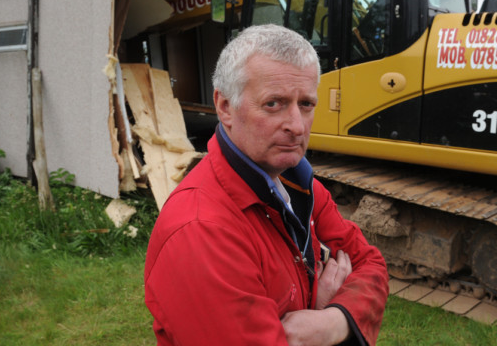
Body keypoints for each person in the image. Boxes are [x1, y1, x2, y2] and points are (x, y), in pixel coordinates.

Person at [144, 24, 390, 345]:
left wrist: (332, 320)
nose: (297, 126)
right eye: (274, 104)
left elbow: (370, 263)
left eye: (306, 104)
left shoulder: (299, 184)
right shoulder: (201, 231)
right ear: (225, 107)